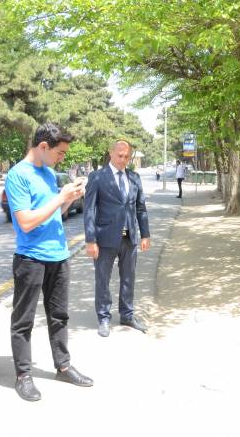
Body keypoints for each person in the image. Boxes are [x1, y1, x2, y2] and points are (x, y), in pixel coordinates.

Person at [4, 122, 94, 402]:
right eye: (60, 152)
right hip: (31, 258)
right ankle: (23, 375)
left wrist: (69, 198)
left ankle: (63, 366)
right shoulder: (18, 175)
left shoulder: (49, 173)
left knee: (59, 316)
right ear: (43, 146)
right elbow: (26, 222)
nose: (62, 157)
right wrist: (60, 198)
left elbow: (55, 213)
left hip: (59, 254)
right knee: (24, 320)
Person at [84, 140, 151, 337]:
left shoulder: (134, 177)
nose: (123, 159)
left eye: (127, 156)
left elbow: (140, 207)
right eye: (120, 155)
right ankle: (104, 318)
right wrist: (90, 240)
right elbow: (89, 210)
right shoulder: (97, 177)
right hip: (105, 238)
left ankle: (127, 315)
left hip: (129, 237)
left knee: (129, 278)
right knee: (103, 279)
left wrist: (145, 234)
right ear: (111, 154)